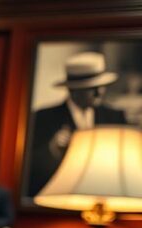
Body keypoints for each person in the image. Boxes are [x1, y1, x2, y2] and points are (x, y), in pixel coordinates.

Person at [27, 51, 127, 197]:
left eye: (102, 86)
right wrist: (52, 149)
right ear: (74, 90)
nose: (99, 92)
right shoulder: (43, 118)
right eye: (92, 87)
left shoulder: (115, 117)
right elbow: (30, 169)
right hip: (60, 197)